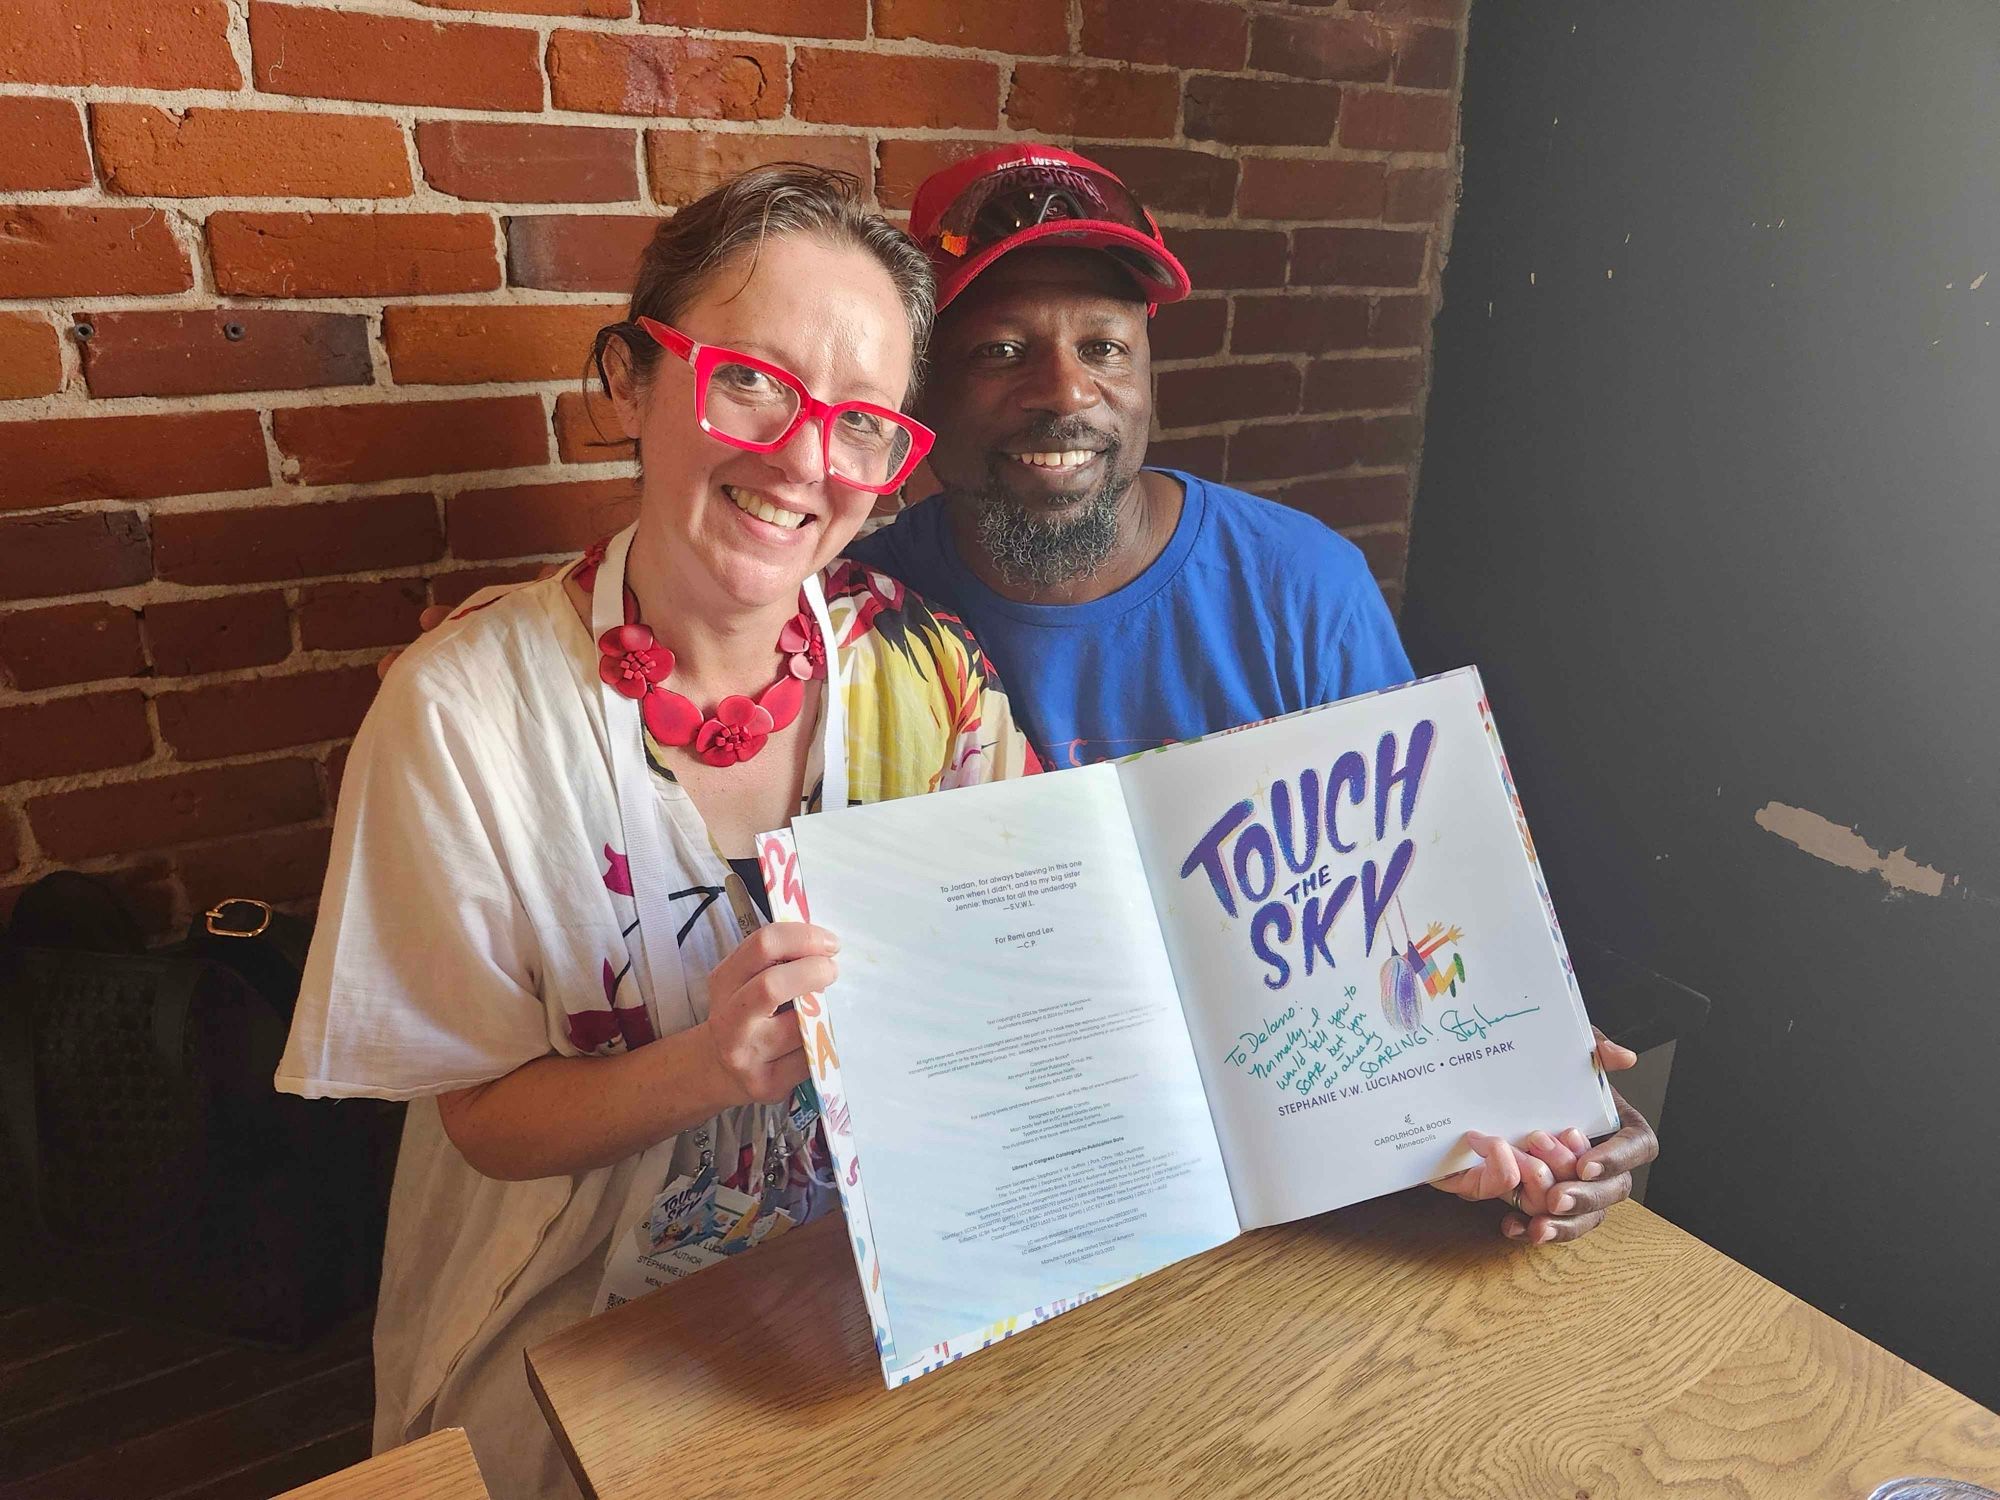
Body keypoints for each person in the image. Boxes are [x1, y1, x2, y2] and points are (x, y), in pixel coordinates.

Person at [280, 166, 1039, 1499]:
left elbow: (1029, 963)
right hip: (565, 1346)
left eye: (862, 421)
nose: (806, 457)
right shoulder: (464, 713)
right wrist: (707, 1066)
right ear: (631, 382)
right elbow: (485, 1123)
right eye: (752, 379)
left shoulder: (930, 673)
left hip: (865, 1298)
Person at [844, 144, 1658, 1243]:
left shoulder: (1298, 583)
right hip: (1018, 1195)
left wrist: (1533, 1095)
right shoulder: (869, 614)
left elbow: (1407, 908)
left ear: (1144, 379)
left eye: (1104, 348)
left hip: (1296, 1198)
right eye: (999, 350)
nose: (1064, 393)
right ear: (922, 388)